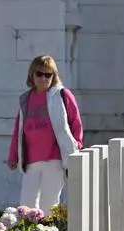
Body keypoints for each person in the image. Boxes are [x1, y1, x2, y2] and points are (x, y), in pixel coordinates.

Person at [7, 54, 84, 211]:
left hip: (54, 159)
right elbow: (19, 130)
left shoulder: (62, 95)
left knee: (48, 205)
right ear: (32, 75)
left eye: (48, 74)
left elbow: (76, 123)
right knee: (26, 205)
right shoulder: (26, 99)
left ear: (54, 76)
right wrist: (13, 155)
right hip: (31, 161)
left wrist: (77, 146)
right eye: (39, 74)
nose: (44, 78)